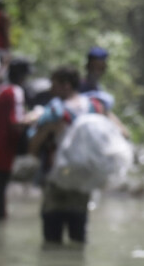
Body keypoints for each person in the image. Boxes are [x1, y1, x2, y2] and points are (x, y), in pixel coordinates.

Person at [29, 65, 106, 244]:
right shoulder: (94, 107)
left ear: (66, 85)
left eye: (54, 84)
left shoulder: (55, 112)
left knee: (52, 238)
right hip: (83, 181)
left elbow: (32, 148)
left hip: (57, 180)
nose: (51, 89)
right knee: (78, 237)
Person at [0, 57, 33, 220]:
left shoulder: (0, 89)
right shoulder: (16, 92)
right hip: (5, 146)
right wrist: (34, 117)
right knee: (1, 185)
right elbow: (15, 122)